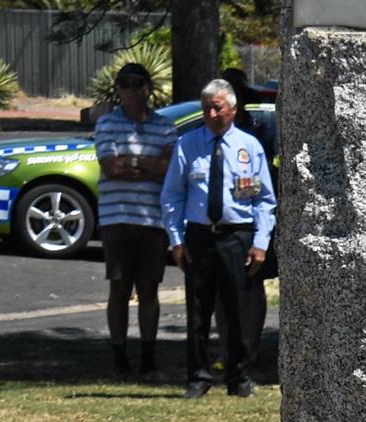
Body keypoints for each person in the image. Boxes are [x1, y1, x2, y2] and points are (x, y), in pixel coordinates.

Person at [162, 79, 275, 401]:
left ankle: (238, 377)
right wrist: (176, 239)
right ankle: (198, 377)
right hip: (199, 235)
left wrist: (260, 243)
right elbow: (172, 195)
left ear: (233, 110)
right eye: (207, 107)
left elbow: (264, 200)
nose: (212, 113)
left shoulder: (249, 147)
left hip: (236, 236)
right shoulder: (188, 144)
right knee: (198, 311)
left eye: (218, 107)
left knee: (237, 310)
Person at [95, 61, 178, 379]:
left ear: (147, 88)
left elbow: (167, 169)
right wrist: (148, 163)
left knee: (149, 290)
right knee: (119, 288)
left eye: (135, 84)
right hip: (117, 218)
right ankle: (119, 356)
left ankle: (147, 357)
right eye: (123, 85)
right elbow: (110, 168)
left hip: (152, 220)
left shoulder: (165, 126)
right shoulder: (106, 124)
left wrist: (133, 162)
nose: (129, 90)